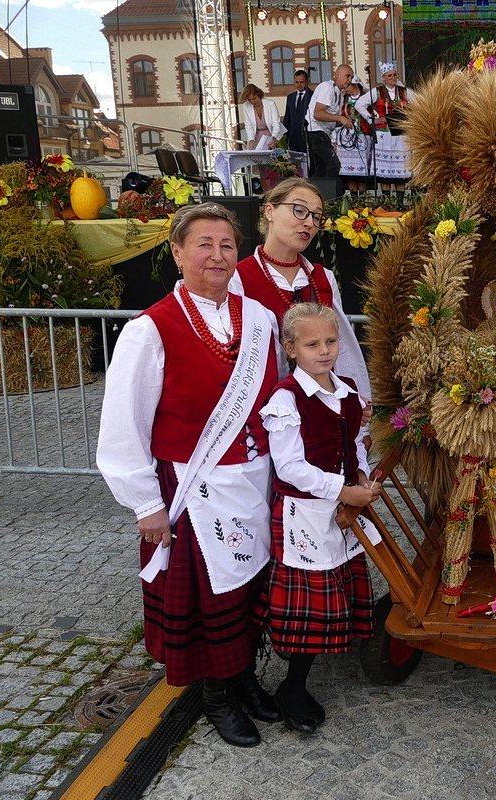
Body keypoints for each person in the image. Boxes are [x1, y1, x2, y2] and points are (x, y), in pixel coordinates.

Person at [96, 203, 281, 748]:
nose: (217, 256)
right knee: (211, 599)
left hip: (254, 482)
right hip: (191, 487)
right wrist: (145, 505)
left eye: (227, 245)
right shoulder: (149, 330)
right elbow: (123, 423)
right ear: (176, 253)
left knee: (249, 588)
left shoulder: (261, 320)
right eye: (203, 244)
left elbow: (275, 400)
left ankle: (243, 678)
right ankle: (215, 696)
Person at [259, 302, 382, 734]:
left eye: (330, 341)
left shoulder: (346, 389)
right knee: (310, 603)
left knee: (337, 586)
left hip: (341, 511)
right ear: (291, 348)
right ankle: (293, 687)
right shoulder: (286, 399)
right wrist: (342, 489)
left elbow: (356, 442)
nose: (325, 351)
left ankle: (317, 660)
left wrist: (362, 473)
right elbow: (289, 466)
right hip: (307, 514)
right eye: (312, 344)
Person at [230, 177, 371, 400]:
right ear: (269, 211)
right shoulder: (239, 278)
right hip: (265, 407)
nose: (309, 223)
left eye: (316, 216)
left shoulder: (322, 278)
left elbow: (342, 348)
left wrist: (356, 401)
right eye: (299, 210)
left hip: (321, 405)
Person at [355, 63, 416, 194]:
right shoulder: (377, 92)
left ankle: (399, 202)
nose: (393, 78)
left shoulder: (405, 92)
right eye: (389, 76)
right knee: (385, 172)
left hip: (401, 134)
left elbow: (420, 103)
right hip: (384, 135)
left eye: (394, 75)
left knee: (401, 171)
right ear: (383, 77)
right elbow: (359, 104)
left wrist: (411, 118)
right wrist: (372, 119)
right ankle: (386, 200)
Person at [307, 64, 355, 178]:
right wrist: (341, 118)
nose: (349, 80)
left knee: (321, 169)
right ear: (337, 74)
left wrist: (345, 120)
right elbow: (318, 114)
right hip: (316, 132)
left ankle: (316, 192)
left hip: (323, 133)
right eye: (347, 76)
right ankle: (331, 194)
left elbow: (330, 119)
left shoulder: (340, 93)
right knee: (333, 165)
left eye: (352, 78)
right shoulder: (327, 87)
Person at [336, 77, 373, 193]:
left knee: (362, 172)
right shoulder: (344, 98)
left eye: (348, 86)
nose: (345, 89)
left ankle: (362, 198)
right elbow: (339, 115)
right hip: (347, 139)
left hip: (363, 136)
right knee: (349, 172)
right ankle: (353, 199)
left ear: (356, 85)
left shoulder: (366, 98)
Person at [241, 83, 286, 150]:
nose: (252, 101)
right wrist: (251, 140)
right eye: (249, 100)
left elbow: (276, 124)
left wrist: (274, 138)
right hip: (257, 137)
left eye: (254, 98)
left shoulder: (270, 104)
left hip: (273, 134)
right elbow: (248, 126)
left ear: (258, 94)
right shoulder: (246, 106)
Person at [282, 69, 313, 155]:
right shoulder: (290, 97)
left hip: (307, 138)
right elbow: (287, 118)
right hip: (293, 138)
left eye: (302, 82)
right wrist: (285, 137)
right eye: (297, 82)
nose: (299, 84)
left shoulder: (313, 96)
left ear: (307, 82)